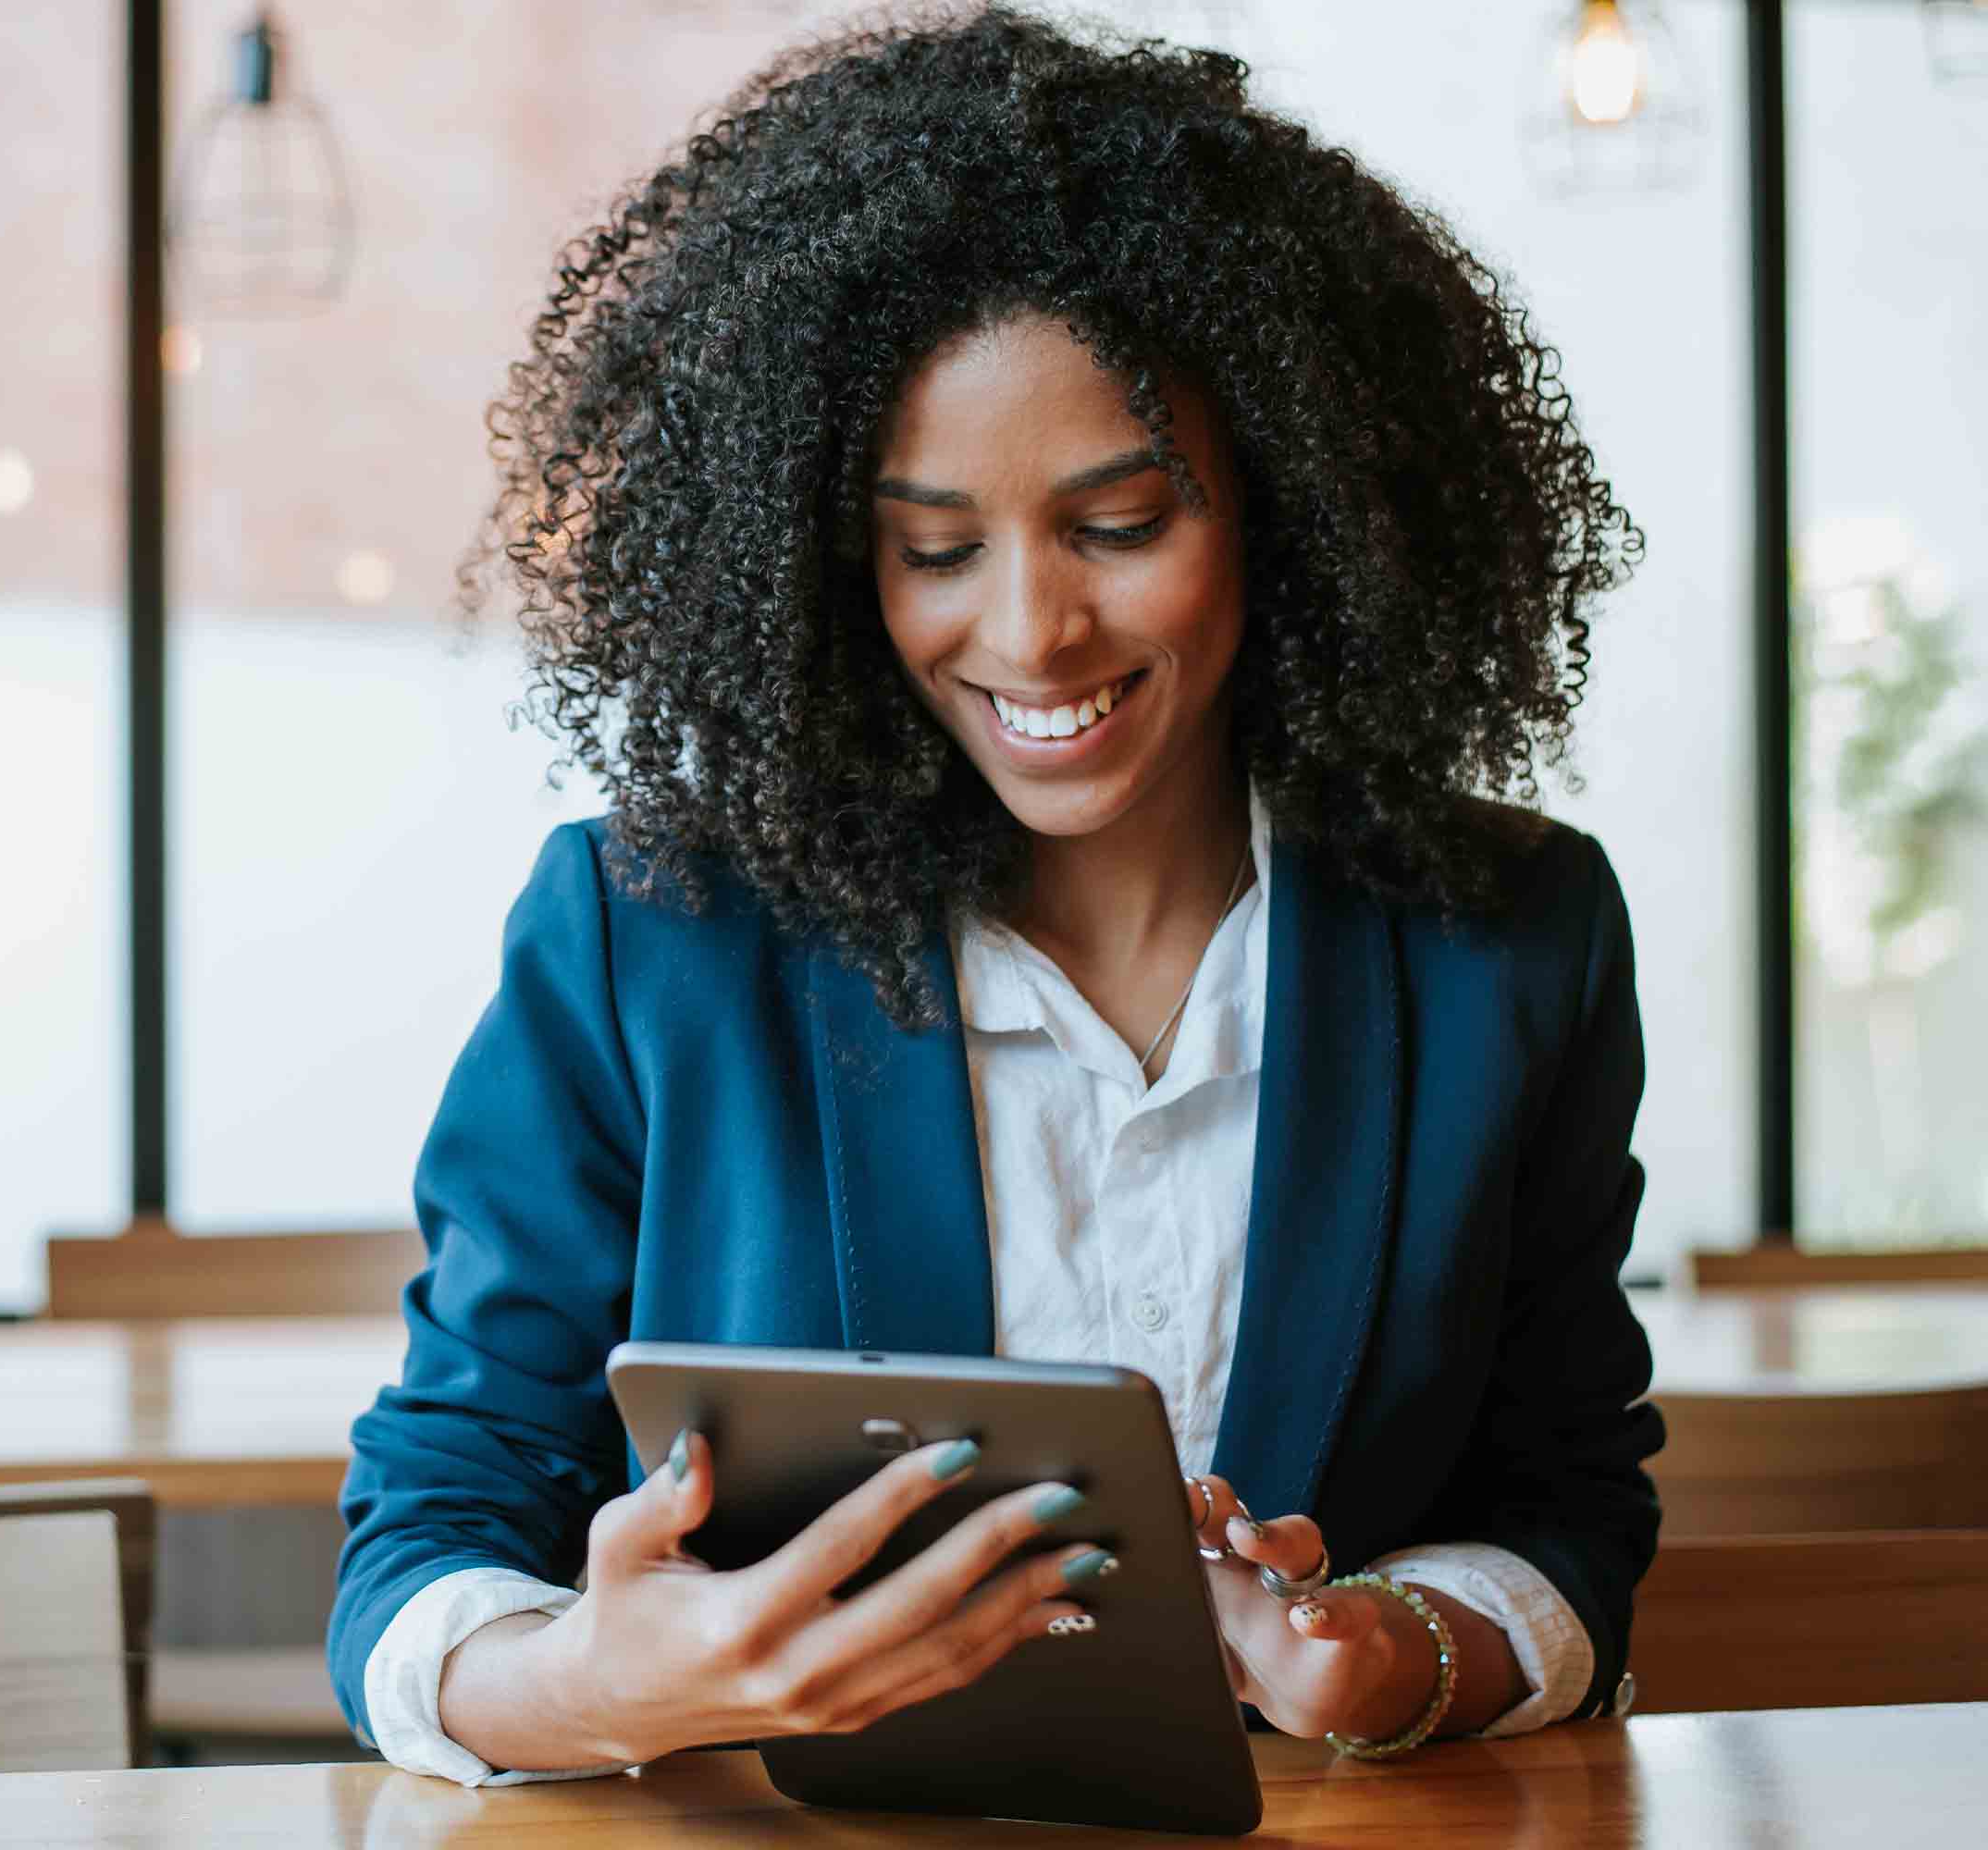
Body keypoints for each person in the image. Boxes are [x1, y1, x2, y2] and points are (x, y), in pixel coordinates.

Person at [330, 2, 1661, 1787]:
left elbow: (1564, 1499)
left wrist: (1401, 1652)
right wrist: (581, 1683)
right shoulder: (650, 936)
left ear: (1291, 500)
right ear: (824, 556)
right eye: (935, 550)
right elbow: (429, 1522)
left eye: (1121, 526)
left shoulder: (1511, 941)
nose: (1030, 633)